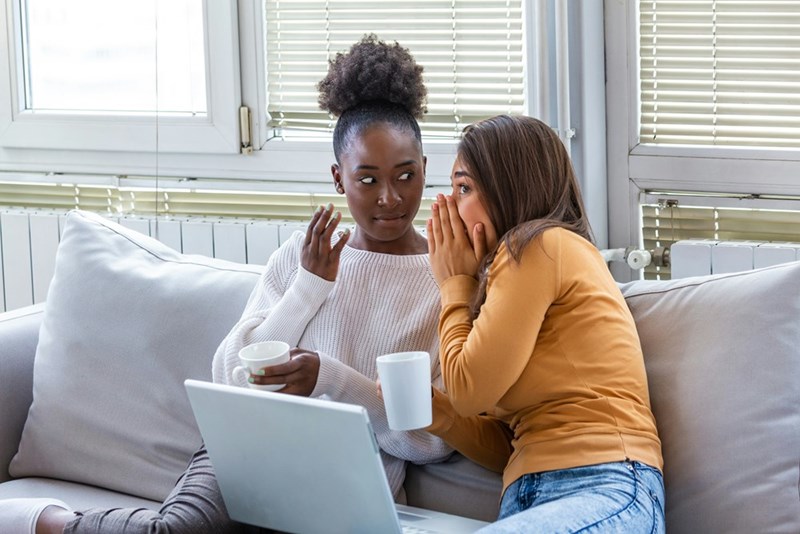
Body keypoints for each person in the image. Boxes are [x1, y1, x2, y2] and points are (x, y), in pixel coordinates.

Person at [3, 34, 452, 534]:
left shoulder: (444, 282)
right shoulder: (305, 256)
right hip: (247, 449)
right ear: (337, 178)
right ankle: (39, 521)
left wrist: (331, 378)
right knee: (174, 531)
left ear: (424, 169)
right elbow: (229, 375)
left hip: (341, 487)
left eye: (405, 176)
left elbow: (431, 441)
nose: (390, 197)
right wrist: (308, 288)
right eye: (367, 179)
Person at [424, 115, 665, 533]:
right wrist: (441, 416)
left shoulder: (538, 245)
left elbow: (467, 391)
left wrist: (454, 283)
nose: (449, 206)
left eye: (464, 188)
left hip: (606, 484)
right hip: (529, 497)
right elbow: (515, 444)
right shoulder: (511, 279)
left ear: (508, 188)